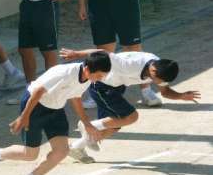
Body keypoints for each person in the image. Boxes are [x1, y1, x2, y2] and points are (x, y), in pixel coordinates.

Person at [0, 51, 111, 175]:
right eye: (99, 75)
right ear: (87, 69)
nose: (100, 79)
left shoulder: (87, 78)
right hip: (35, 106)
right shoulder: (64, 73)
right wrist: (24, 117)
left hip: (56, 108)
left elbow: (76, 96)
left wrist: (87, 124)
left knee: (62, 151)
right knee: (30, 154)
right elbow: (38, 91)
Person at [60, 48, 200, 163]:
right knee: (132, 117)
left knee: (113, 126)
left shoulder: (162, 69)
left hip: (117, 86)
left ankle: (76, 147)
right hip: (101, 86)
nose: (159, 83)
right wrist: (76, 54)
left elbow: (165, 92)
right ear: (153, 71)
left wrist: (181, 96)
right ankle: (88, 126)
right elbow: (102, 53)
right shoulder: (130, 63)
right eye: (158, 80)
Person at [77, 0, 160, 108]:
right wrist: (82, 2)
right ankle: (99, 93)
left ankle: (146, 91)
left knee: (133, 47)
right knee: (103, 51)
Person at [13, 0, 80, 83]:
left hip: (47, 4)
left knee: (48, 51)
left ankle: (51, 88)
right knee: (24, 49)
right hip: (27, 2)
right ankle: (30, 88)